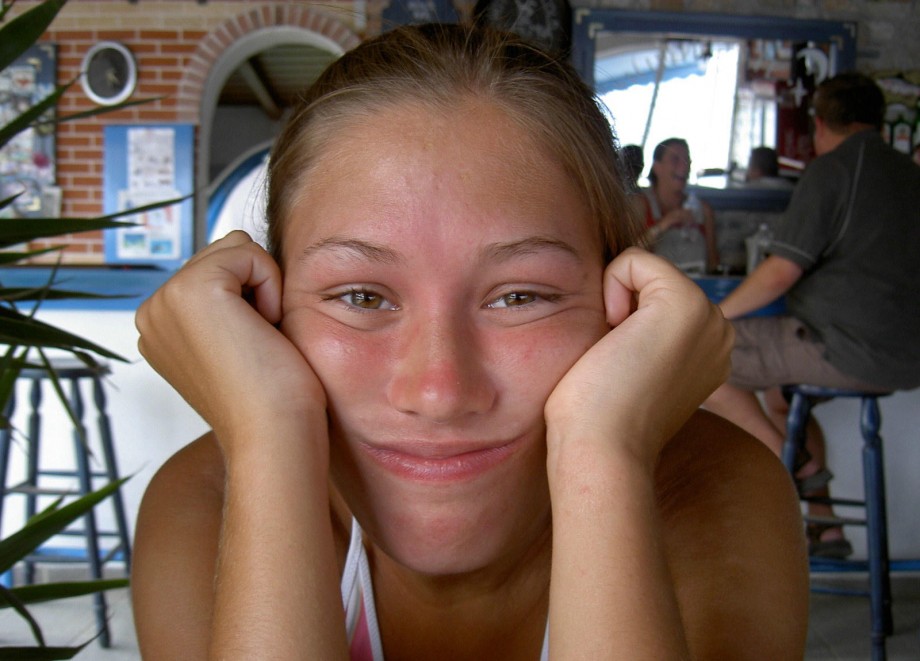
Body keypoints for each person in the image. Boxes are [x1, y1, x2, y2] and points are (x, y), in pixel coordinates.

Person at [132, 24, 807, 659]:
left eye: (520, 296)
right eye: (362, 296)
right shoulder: (211, 501)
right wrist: (269, 436)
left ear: (620, 304)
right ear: (268, 310)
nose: (439, 391)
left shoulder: (713, 492)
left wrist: (603, 451)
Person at [705, 72, 920, 558]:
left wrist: (713, 316)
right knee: (785, 399)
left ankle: (789, 466)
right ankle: (825, 528)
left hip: (845, 347)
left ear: (820, 124)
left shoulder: (834, 170)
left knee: (699, 358)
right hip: (905, 355)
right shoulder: (909, 174)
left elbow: (781, 271)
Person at [634, 138, 720, 273]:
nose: (684, 166)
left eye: (687, 161)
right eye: (675, 159)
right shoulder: (640, 205)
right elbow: (629, 253)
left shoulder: (703, 210)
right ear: (657, 167)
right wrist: (664, 224)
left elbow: (713, 264)